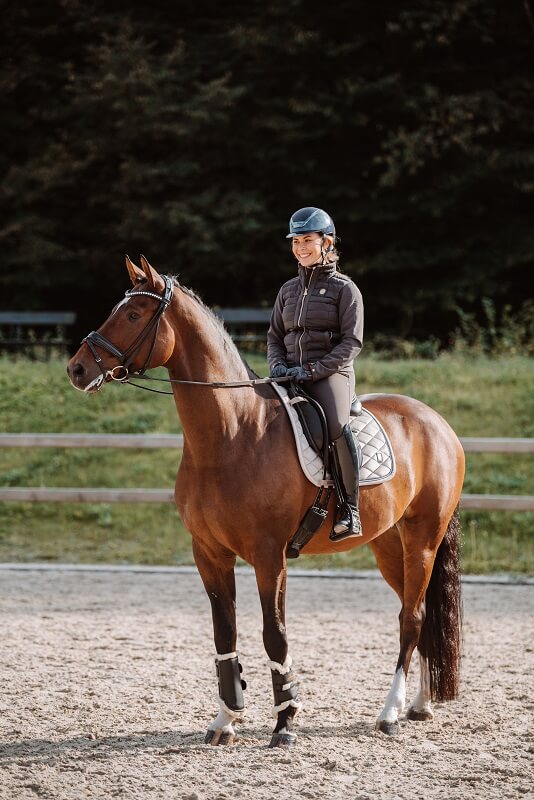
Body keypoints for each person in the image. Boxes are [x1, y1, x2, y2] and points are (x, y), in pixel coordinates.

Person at [267, 207, 364, 540]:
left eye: (307, 239)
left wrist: (312, 371)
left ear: (327, 242)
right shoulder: (287, 291)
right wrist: (277, 365)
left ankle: (351, 509)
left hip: (330, 374)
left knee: (334, 426)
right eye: (296, 241)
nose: (300, 247)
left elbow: (351, 343)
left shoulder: (345, 290)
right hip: (290, 372)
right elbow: (275, 337)